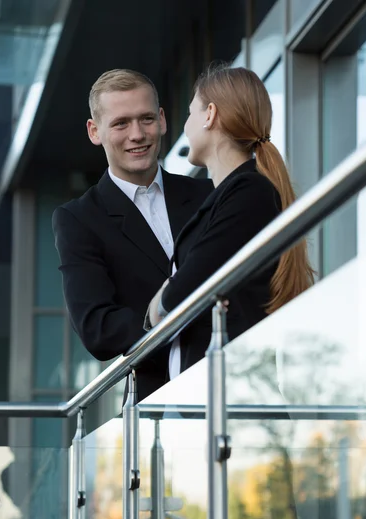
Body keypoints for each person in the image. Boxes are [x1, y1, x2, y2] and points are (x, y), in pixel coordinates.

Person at [52, 69, 213, 400]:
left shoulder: (209, 194)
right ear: (95, 131)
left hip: (239, 382)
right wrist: (185, 324)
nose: (137, 134)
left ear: (163, 120)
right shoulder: (78, 219)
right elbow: (98, 327)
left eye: (146, 119)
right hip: (159, 407)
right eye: (121, 123)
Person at [146, 65, 314, 376]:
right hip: (216, 388)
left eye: (190, 113)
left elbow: (185, 288)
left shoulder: (249, 191)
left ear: (209, 114)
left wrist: (160, 301)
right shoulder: (238, 192)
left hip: (231, 390)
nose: (184, 126)